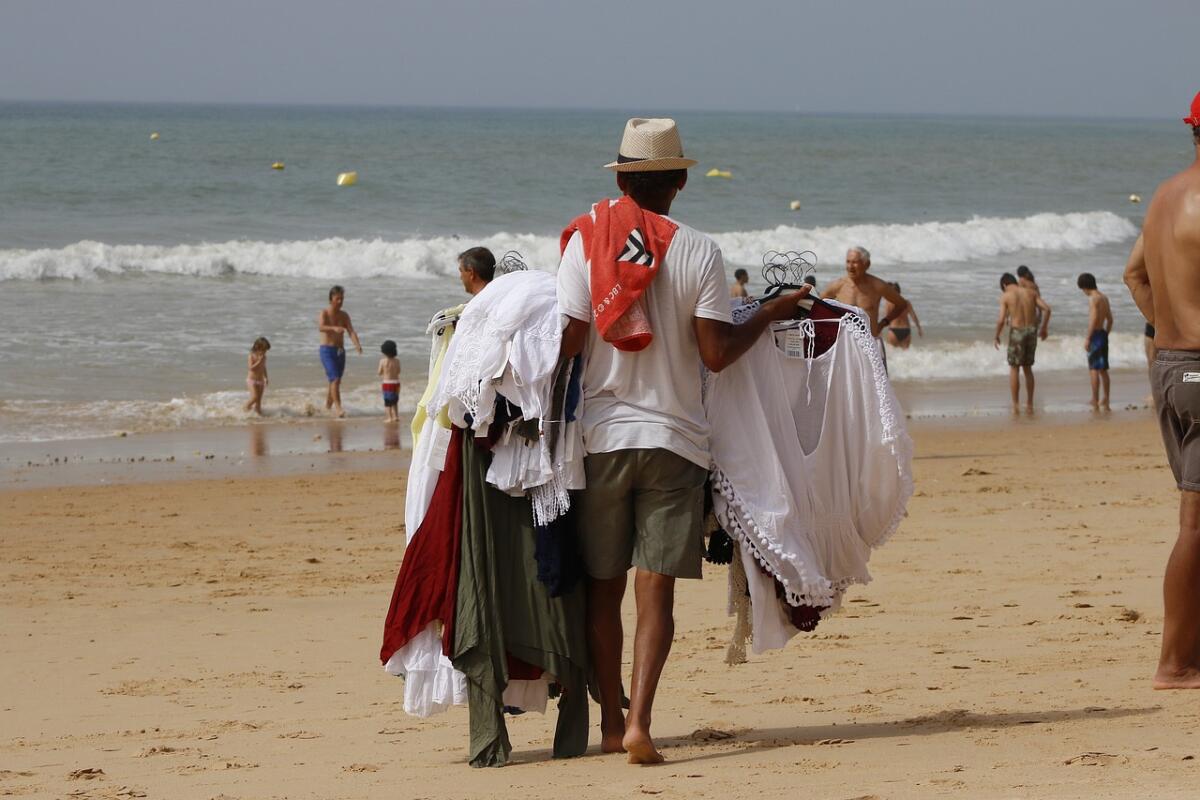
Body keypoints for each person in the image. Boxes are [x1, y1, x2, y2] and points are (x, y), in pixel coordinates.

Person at [557, 117, 810, 764]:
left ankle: (609, 724)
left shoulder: (586, 241)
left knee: (603, 587)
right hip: (676, 442)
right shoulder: (699, 250)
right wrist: (771, 312)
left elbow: (569, 342)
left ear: (622, 181)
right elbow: (717, 353)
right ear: (680, 182)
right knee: (656, 591)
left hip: (602, 440)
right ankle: (641, 723)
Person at [1122, 90, 1200, 689]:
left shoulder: (1164, 195)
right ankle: (1174, 664)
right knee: (1195, 524)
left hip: (1173, 368)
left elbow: (1134, 273)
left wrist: (1168, 330)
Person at [821, 247, 910, 338]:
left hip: (869, 341)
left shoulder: (877, 285)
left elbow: (902, 304)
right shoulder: (838, 285)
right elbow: (817, 304)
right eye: (848, 262)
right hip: (845, 341)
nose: (850, 267)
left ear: (867, 264)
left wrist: (883, 323)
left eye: (855, 262)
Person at [994, 272, 1052, 413]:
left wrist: (996, 336)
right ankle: (1030, 403)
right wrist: (1044, 328)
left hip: (1017, 332)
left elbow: (1001, 320)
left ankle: (1015, 404)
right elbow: (1047, 309)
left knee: (1014, 368)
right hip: (1031, 331)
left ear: (1004, 285)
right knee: (1028, 368)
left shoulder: (1006, 296)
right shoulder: (1031, 292)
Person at [318, 285, 362, 418]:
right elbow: (321, 327)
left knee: (334, 381)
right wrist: (334, 328)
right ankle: (338, 408)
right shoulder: (325, 313)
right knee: (335, 379)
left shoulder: (344, 315)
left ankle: (327, 408)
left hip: (340, 352)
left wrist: (357, 345)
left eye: (342, 299)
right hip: (327, 350)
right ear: (331, 299)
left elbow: (351, 331)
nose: (340, 301)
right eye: (337, 299)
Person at [1077, 273, 1113, 411]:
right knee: (1103, 369)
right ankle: (1106, 398)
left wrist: (1088, 338)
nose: (1084, 292)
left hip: (1095, 335)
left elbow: (1093, 319)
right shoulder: (1104, 297)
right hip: (1102, 334)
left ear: (1085, 287)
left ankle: (1095, 399)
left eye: (1082, 289)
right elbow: (1110, 319)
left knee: (1093, 369)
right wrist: (1106, 334)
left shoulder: (1093, 299)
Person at [882, 281, 923, 349]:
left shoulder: (889, 303)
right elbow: (913, 316)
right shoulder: (906, 303)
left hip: (894, 330)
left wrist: (880, 330)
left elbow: (886, 318)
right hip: (906, 330)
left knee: (893, 353)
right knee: (905, 353)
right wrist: (919, 328)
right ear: (900, 291)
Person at [243, 337, 270, 415]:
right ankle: (245, 409)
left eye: (265, 350)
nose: (264, 352)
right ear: (257, 347)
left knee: (258, 401)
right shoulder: (251, 356)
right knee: (254, 397)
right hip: (252, 381)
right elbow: (251, 368)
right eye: (263, 350)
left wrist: (266, 377)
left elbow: (263, 367)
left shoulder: (264, 357)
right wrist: (259, 361)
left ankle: (258, 415)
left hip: (260, 381)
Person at [378, 340, 402, 423]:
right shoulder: (397, 361)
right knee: (395, 400)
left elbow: (379, 372)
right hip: (396, 383)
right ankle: (396, 416)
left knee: (387, 401)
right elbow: (399, 371)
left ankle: (389, 417)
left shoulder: (383, 361)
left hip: (387, 383)